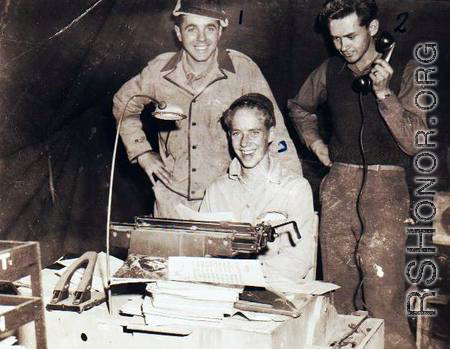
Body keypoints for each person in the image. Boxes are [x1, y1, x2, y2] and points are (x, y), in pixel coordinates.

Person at [288, 0, 426, 347]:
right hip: (338, 186)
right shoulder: (329, 69)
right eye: (336, 39)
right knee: (338, 294)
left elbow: (414, 142)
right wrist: (316, 144)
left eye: (351, 36)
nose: (343, 46)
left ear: (374, 30)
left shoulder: (408, 71)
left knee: (384, 296)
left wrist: (384, 93)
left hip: (386, 188)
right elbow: (299, 107)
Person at [112, 0, 302, 218]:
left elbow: (275, 130)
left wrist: (293, 190)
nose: (201, 38)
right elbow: (123, 104)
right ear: (178, 33)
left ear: (220, 32)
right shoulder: (158, 72)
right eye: (192, 28)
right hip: (172, 203)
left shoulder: (241, 69)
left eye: (209, 28)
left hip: (228, 200)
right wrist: (142, 152)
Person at [201, 93, 315, 282]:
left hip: (275, 289)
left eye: (254, 132)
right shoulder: (216, 190)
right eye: (237, 133)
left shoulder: (295, 189)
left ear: (270, 135)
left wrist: (243, 273)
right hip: (223, 289)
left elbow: (298, 261)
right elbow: (202, 251)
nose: (245, 143)